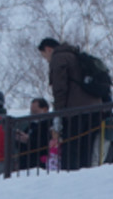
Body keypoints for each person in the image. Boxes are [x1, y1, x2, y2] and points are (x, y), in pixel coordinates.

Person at [38, 37, 101, 171]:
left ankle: (70, 179)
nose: (46, 60)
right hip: (95, 109)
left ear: (48, 49)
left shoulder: (58, 58)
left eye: (44, 56)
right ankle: (84, 177)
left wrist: (58, 113)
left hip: (75, 110)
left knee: (71, 148)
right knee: (86, 148)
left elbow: (60, 89)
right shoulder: (76, 55)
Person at [15, 97, 52, 172]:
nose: (32, 115)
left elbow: (46, 143)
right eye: (31, 112)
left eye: (35, 112)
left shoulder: (50, 125)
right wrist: (19, 139)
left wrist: (29, 140)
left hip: (39, 166)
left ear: (45, 109)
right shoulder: (31, 125)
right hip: (25, 166)